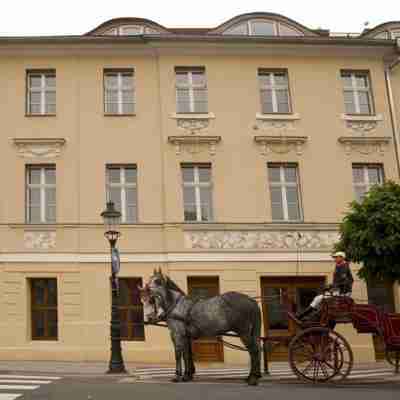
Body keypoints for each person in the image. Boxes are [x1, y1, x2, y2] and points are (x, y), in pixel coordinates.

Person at [296, 251, 354, 320]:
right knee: (319, 299)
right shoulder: (340, 266)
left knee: (319, 299)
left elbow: (343, 281)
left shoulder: (343, 267)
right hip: (339, 291)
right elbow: (340, 281)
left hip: (342, 292)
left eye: (336, 257)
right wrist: (331, 287)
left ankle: (305, 316)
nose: (335, 259)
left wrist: (331, 287)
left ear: (341, 258)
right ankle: (307, 315)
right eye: (334, 257)